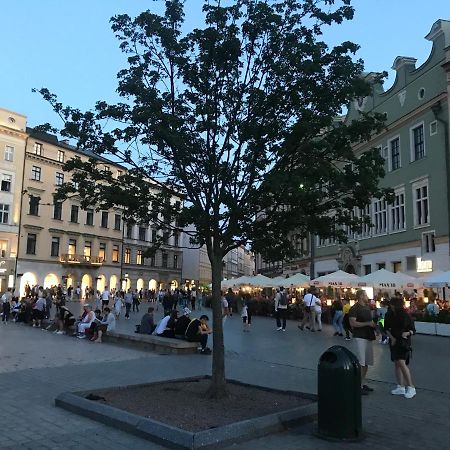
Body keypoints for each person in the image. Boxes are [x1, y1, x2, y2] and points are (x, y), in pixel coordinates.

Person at [384, 297, 416, 399]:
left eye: (392, 304)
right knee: (397, 363)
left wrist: (408, 333)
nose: (391, 306)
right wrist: (392, 338)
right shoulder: (389, 314)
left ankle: (411, 387)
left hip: (403, 342)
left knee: (401, 363)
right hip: (394, 341)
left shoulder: (405, 315)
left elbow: (413, 330)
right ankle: (400, 386)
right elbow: (385, 328)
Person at [349, 290, 377, 395]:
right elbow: (353, 323)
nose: (367, 297)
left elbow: (370, 322)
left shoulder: (367, 307)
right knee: (361, 362)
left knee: (366, 363)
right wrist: (367, 324)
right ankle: (356, 386)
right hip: (360, 337)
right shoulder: (354, 308)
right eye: (365, 295)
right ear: (361, 296)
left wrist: (374, 327)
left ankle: (361, 383)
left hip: (368, 336)